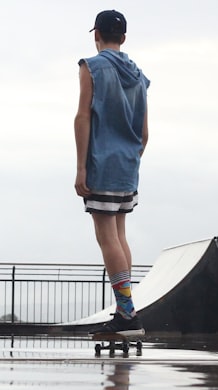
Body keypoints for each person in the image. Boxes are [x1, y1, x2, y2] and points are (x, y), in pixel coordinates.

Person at [74, 9, 150, 336]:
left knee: (107, 237)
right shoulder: (138, 75)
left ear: (96, 35)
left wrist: (81, 167)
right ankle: (124, 311)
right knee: (119, 235)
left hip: (102, 162)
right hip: (128, 164)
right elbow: (145, 132)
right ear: (124, 37)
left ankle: (128, 315)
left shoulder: (91, 67)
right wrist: (131, 157)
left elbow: (83, 118)